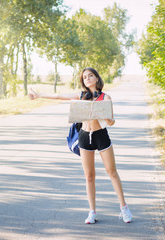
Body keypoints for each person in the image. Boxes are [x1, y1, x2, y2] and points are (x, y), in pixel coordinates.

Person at [28, 67, 132, 224]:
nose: (88, 78)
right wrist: (38, 95)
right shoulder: (81, 95)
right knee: (89, 177)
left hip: (101, 136)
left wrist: (108, 118)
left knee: (112, 172)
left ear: (97, 78)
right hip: (84, 137)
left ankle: (124, 209)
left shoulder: (105, 97)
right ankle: (92, 212)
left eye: (91, 76)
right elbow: (58, 96)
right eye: (85, 77)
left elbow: (111, 121)